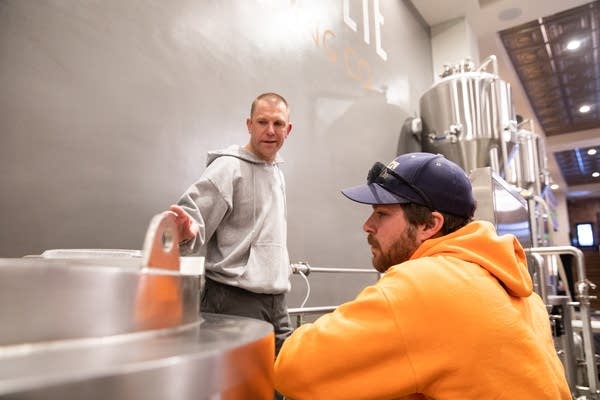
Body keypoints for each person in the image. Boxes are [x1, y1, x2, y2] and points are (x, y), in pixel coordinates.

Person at [273, 152, 571, 399]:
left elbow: (292, 369)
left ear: (430, 224)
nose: (367, 225)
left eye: (382, 214)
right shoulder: (518, 289)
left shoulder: (424, 284)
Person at [168, 92, 293, 355]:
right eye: (262, 122)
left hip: (276, 302)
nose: (270, 131)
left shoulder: (276, 173)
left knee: (286, 381)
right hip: (234, 300)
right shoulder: (228, 168)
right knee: (240, 388)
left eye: (278, 123)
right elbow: (191, 221)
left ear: (288, 129)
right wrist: (186, 233)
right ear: (249, 125)